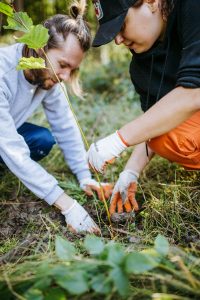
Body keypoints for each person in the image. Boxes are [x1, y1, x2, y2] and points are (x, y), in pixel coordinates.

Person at [0, 0, 113, 234]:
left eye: (72, 69)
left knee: (42, 139)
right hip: (4, 139)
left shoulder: (48, 78)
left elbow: (65, 125)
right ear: (39, 48)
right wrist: (67, 205)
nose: (65, 76)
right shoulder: (4, 70)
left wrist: (84, 176)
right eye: (63, 64)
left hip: (5, 133)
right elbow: (12, 147)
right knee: (15, 151)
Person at [88, 0, 200, 218]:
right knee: (165, 138)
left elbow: (194, 93)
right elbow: (155, 123)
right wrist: (131, 171)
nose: (118, 40)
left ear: (151, 3)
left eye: (121, 25)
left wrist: (118, 140)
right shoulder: (141, 66)